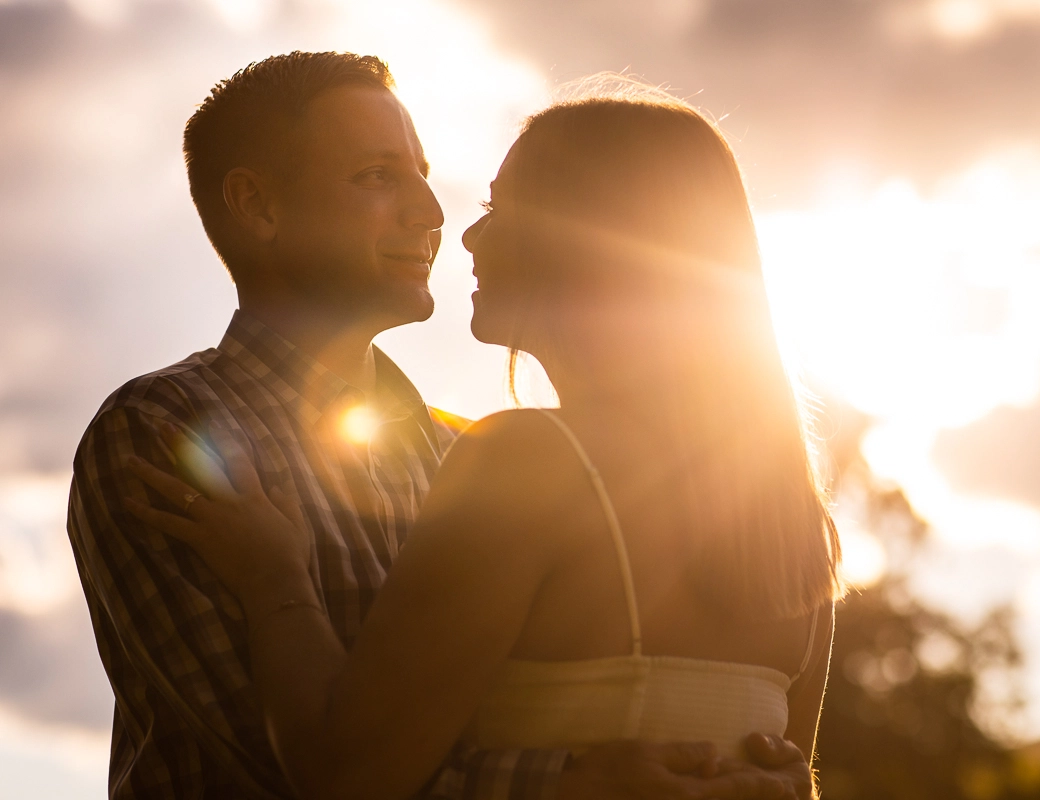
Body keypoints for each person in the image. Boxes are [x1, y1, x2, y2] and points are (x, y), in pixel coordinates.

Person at [67, 52, 817, 800]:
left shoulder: (479, 456)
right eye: (377, 176)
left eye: (425, 174)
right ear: (259, 207)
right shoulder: (163, 433)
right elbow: (268, 778)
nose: (434, 214)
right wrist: (571, 784)